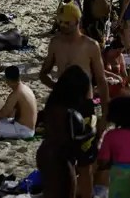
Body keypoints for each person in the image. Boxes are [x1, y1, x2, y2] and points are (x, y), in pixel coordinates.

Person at [39, 3, 108, 198]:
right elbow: (43, 74)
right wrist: (58, 89)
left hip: (84, 107)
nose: (62, 26)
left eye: (67, 23)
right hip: (64, 107)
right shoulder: (55, 43)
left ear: (77, 22)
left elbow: (102, 83)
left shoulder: (90, 46)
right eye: (60, 22)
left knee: (85, 162)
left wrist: (104, 115)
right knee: (63, 159)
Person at [36, 65, 94, 198]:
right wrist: (90, 132)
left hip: (44, 154)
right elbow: (79, 146)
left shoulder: (52, 105)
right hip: (61, 160)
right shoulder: (72, 116)